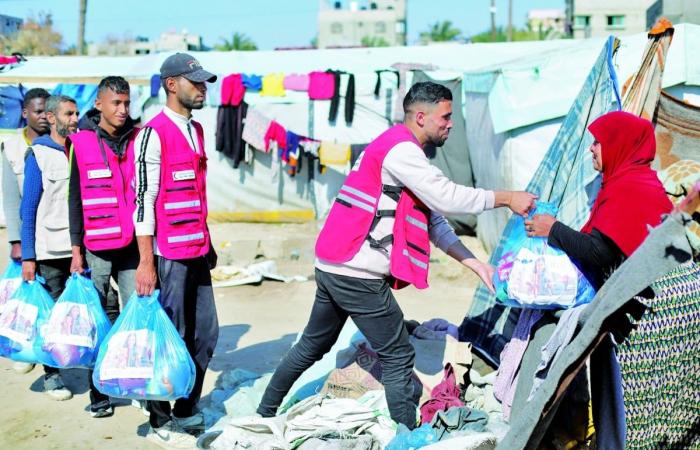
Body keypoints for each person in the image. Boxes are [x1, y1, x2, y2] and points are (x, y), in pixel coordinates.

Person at [257, 81, 537, 428]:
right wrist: (507, 197)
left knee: (313, 345)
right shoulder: (402, 151)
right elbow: (449, 198)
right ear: (421, 116)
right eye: (446, 117)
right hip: (356, 272)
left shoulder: (397, 146)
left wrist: (477, 264)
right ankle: (405, 434)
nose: (451, 124)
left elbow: (435, 219)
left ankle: (264, 411)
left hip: (335, 263)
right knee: (399, 354)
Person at [525, 110, 673, 449]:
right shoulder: (627, 182)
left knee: (630, 404)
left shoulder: (631, 188)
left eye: (598, 142)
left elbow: (600, 252)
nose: (592, 148)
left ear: (618, 145)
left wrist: (554, 230)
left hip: (648, 316)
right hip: (644, 306)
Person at [133, 53, 219, 449]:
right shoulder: (152, 133)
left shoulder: (197, 130)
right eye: (195, 82)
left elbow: (196, 195)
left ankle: (186, 407)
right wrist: (146, 262)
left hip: (197, 249)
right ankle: (159, 418)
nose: (202, 88)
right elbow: (144, 200)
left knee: (205, 333)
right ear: (171, 84)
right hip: (167, 256)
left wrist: (209, 242)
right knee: (170, 336)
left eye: (204, 82)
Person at [66, 76, 140, 418]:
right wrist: (77, 251)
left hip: (130, 246)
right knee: (96, 320)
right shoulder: (79, 142)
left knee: (134, 315)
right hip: (95, 246)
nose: (123, 110)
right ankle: (99, 393)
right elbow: (75, 200)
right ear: (99, 105)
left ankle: (133, 383)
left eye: (126, 103)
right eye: (116, 103)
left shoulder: (139, 138)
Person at [20, 94, 79, 401]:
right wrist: (28, 256)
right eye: (69, 113)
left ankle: (81, 360)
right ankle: (52, 376)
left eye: (77, 113)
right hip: (49, 250)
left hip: (78, 247)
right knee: (50, 315)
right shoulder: (39, 155)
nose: (74, 119)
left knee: (79, 310)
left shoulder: (80, 149)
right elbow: (28, 208)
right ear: (53, 118)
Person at [0, 88, 50, 375]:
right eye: (37, 111)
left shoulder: (61, 143)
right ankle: (27, 347)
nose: (43, 116)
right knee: (30, 296)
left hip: (55, 233)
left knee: (51, 295)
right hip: (28, 235)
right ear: (24, 113)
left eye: (47, 110)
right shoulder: (12, 147)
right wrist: (17, 240)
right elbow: (10, 197)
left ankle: (50, 354)